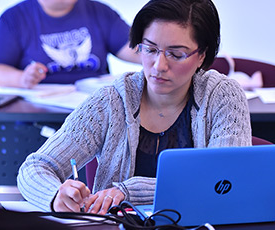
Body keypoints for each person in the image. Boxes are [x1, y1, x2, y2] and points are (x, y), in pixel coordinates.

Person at [17, 0, 252, 215]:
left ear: (201, 55)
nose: (159, 66)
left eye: (176, 54)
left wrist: (129, 191)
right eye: (149, 49)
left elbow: (226, 178)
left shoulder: (223, 96)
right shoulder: (109, 102)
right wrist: (55, 195)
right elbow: (36, 167)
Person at [0, 0, 140, 89]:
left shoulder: (99, 11)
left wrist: (157, 52)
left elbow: (132, 49)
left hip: (94, 105)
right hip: (40, 113)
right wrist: (22, 78)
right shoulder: (14, 19)